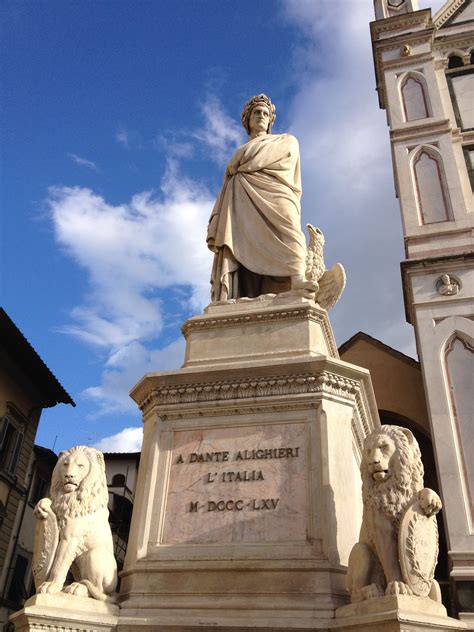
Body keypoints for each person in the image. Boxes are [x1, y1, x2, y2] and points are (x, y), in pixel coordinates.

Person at [207, 94, 310, 302]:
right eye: (256, 113)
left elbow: (285, 162)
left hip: (278, 192)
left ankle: (298, 277)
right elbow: (230, 175)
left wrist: (241, 167)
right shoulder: (241, 150)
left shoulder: (286, 140)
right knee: (241, 242)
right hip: (242, 198)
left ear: (271, 120)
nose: (261, 116)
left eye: (265, 113)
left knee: (290, 228)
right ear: (248, 120)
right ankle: (243, 294)